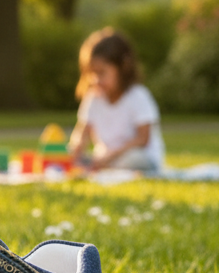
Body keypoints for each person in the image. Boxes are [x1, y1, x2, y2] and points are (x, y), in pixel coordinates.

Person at [68, 28, 165, 172]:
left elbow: (143, 139)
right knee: (73, 157)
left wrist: (112, 156)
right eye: (92, 73)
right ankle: (100, 166)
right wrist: (75, 150)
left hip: (138, 157)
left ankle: (103, 166)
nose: (96, 79)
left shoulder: (138, 96)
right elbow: (82, 133)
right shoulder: (93, 98)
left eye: (102, 73)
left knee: (134, 160)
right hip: (104, 158)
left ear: (123, 68)